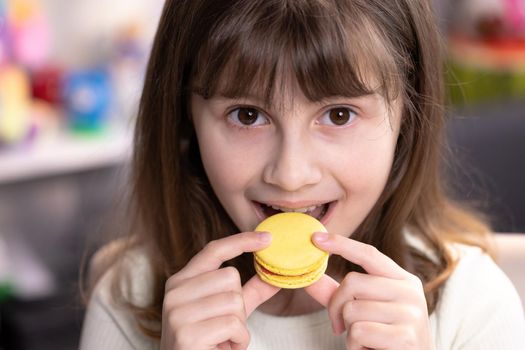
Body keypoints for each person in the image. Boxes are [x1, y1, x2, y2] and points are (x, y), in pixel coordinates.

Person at [79, 0, 525, 349]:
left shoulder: (474, 304)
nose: (291, 175)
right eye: (248, 115)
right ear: (184, 120)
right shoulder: (128, 298)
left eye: (339, 114)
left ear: (406, 119)